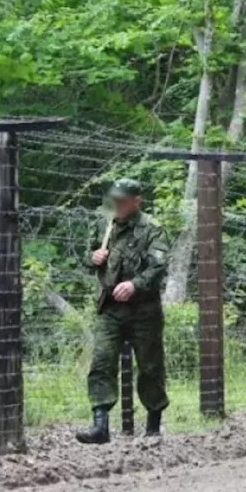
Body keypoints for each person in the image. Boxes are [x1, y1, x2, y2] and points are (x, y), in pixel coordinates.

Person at [77, 179, 170, 444]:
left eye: (122, 200)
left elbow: (158, 267)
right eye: (113, 199)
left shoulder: (152, 229)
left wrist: (134, 285)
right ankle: (100, 426)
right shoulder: (104, 224)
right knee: (102, 362)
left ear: (136, 201)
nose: (116, 204)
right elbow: (89, 254)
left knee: (150, 366)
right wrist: (92, 257)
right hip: (110, 307)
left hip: (144, 310)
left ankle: (153, 426)